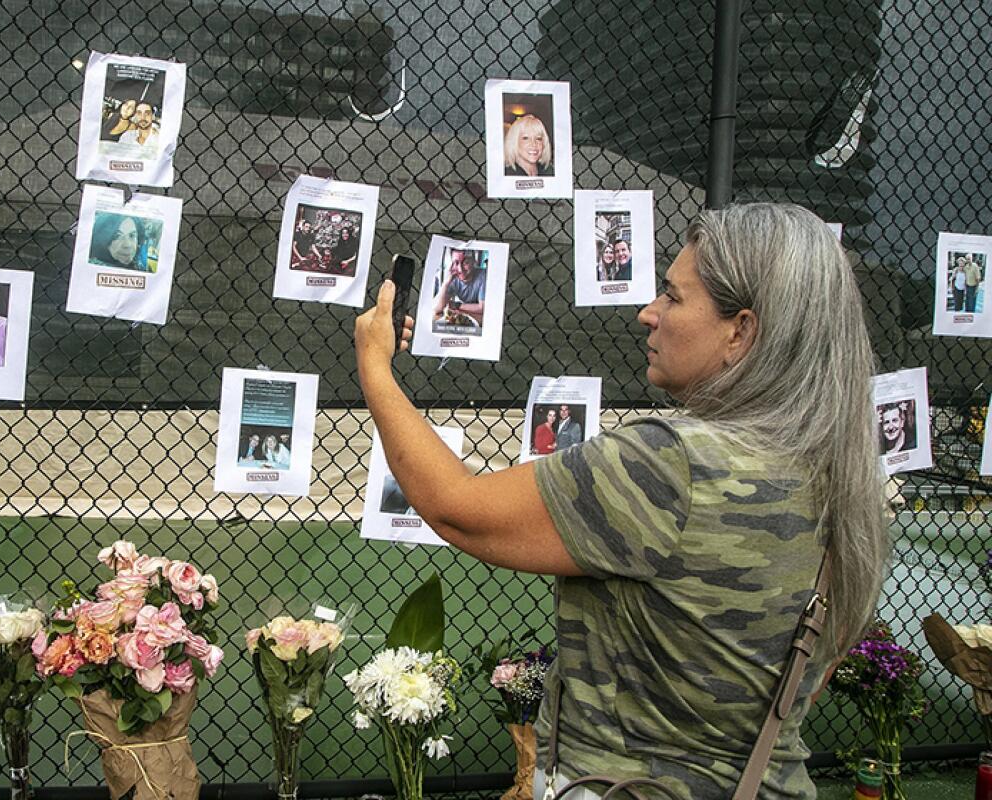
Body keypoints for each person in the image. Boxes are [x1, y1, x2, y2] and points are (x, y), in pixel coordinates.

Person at [354, 203, 887, 799]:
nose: (647, 314)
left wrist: (375, 367)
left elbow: (457, 506)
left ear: (740, 331)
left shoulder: (670, 463)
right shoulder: (843, 481)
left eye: (673, 298)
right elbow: (807, 684)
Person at [432, 249, 486, 328]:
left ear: (474, 262)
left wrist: (457, 305)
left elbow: (483, 308)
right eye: (456, 263)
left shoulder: (483, 275)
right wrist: (446, 283)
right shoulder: (453, 278)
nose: (460, 269)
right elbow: (437, 309)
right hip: (471, 314)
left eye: (465, 262)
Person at [503, 114, 555, 178]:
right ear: (514, 142)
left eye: (538, 138)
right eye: (526, 138)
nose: (533, 144)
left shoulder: (551, 172)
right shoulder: (505, 175)